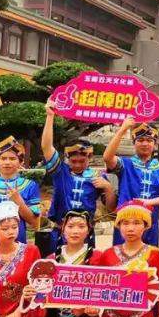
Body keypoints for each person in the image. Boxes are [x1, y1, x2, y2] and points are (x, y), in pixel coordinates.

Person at [41, 101, 114, 252]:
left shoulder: (98, 177)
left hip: (85, 233)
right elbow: (47, 147)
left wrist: (107, 188)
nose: (78, 164)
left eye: (82, 161)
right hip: (60, 231)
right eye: (74, 161)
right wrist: (50, 116)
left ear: (90, 158)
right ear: (67, 158)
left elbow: (110, 207)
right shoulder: (61, 171)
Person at [103, 117, 159, 247]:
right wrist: (123, 129)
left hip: (150, 223)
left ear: (155, 144)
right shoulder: (125, 164)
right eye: (140, 140)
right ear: (134, 143)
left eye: (149, 140)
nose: (145, 143)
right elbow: (107, 158)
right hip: (126, 222)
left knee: (149, 257)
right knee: (120, 255)